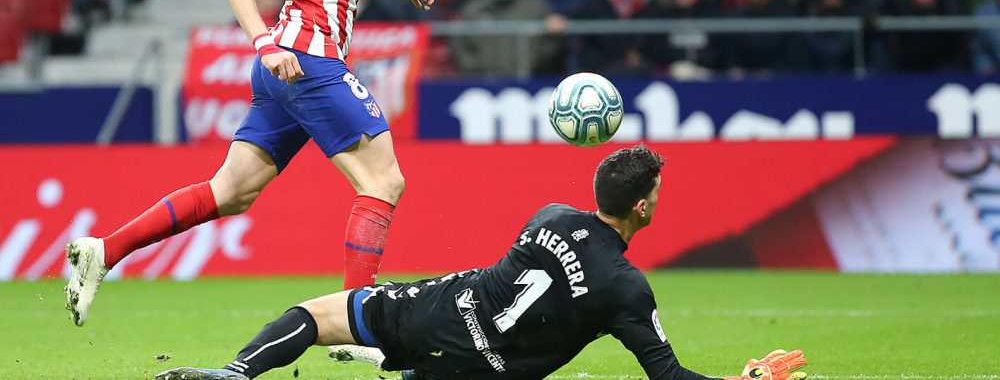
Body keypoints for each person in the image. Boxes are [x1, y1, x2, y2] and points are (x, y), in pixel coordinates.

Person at [63, 0, 446, 327]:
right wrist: (265, 44)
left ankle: (103, 251)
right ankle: (354, 322)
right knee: (383, 180)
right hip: (305, 62)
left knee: (230, 192)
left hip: (292, 69)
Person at [154, 145, 810, 380]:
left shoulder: (550, 215)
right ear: (641, 208)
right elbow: (667, 376)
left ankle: (236, 374)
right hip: (490, 370)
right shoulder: (626, 289)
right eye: (658, 193)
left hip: (445, 311)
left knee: (316, 314)